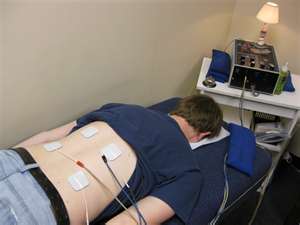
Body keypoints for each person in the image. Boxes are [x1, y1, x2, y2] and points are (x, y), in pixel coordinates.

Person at [0, 94, 222, 225]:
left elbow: (47, 136)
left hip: (12, 159)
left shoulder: (121, 108)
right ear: (202, 135)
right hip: (34, 210)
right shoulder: (188, 172)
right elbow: (129, 222)